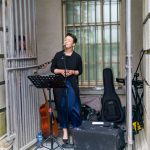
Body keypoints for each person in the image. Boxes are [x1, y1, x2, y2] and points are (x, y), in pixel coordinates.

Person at [51, 33, 82, 144]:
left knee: (74, 108)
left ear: (73, 44)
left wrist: (73, 72)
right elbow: (52, 69)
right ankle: (65, 131)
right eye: (65, 40)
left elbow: (80, 71)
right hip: (59, 85)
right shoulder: (58, 55)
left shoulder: (77, 57)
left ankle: (75, 131)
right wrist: (60, 71)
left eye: (69, 40)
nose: (66, 41)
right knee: (62, 108)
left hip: (72, 84)